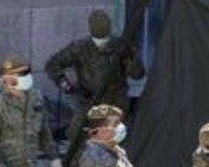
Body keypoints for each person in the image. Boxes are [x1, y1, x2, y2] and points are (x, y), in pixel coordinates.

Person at [45, 10, 144, 141]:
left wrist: (129, 58)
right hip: (88, 100)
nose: (102, 43)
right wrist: (66, 86)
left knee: (115, 139)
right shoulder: (80, 48)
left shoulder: (121, 47)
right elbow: (53, 65)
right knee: (78, 136)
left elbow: (138, 74)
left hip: (115, 101)